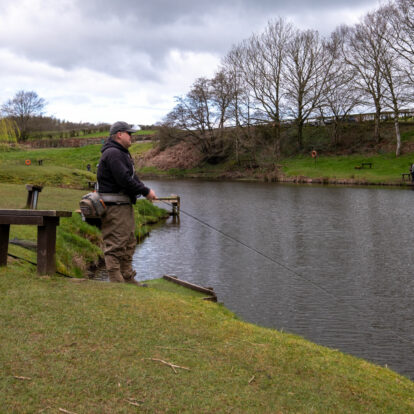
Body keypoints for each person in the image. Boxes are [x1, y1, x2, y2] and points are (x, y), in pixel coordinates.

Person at [97, 121, 157, 285]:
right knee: (116, 245)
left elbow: (131, 177)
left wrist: (145, 189)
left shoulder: (121, 153)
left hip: (123, 205)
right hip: (114, 208)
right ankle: (117, 284)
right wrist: (145, 191)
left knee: (129, 242)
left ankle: (128, 279)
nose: (132, 137)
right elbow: (123, 180)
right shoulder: (113, 154)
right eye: (129, 134)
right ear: (119, 134)